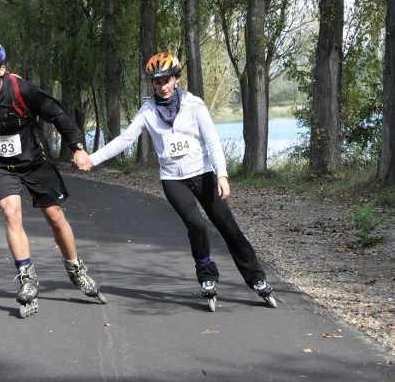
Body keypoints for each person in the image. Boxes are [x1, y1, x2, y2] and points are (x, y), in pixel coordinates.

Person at [75, 52, 275, 308]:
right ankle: (207, 277)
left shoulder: (194, 105)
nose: (163, 86)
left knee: (228, 226)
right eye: (158, 82)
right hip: (172, 179)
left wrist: (222, 174)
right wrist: (93, 158)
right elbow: (125, 139)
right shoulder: (148, 111)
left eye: (167, 80)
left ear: (176, 78)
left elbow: (212, 140)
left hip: (202, 174)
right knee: (197, 225)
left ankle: (256, 278)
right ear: (153, 85)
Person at [0, 41, 105, 315]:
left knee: (54, 216)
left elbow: (58, 114)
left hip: (35, 162)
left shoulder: (23, 90)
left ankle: (75, 267)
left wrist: (78, 148)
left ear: (2, 69)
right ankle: (27, 278)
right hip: (1, 166)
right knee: (10, 212)